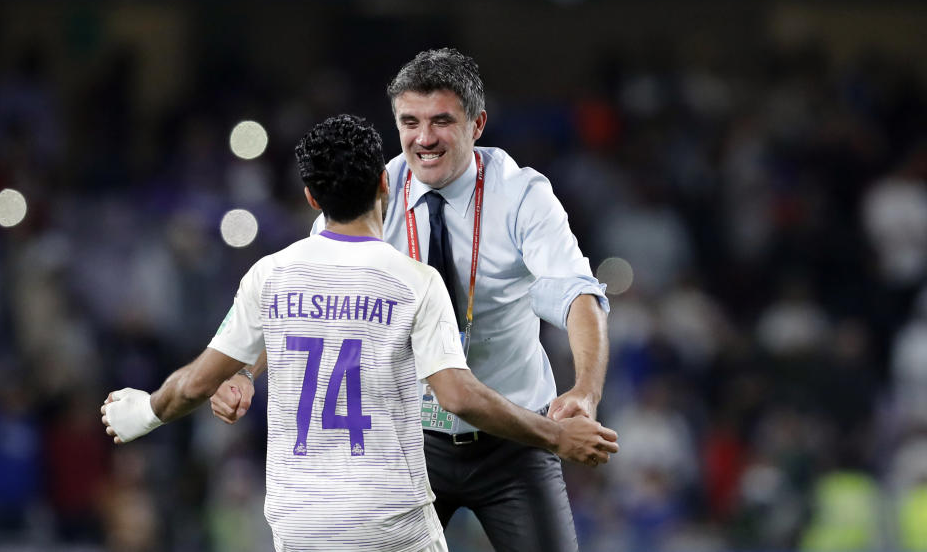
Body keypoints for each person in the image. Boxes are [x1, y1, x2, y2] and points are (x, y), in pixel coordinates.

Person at [102, 114, 618, 552]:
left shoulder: (271, 273)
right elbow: (457, 394)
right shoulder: (415, 281)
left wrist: (145, 412)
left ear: (309, 197)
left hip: (299, 519)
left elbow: (196, 384)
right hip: (389, 514)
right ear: (385, 185)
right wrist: (556, 435)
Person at [213, 50, 616, 551]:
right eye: (410, 121)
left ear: (478, 124)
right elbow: (310, 299)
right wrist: (242, 371)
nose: (424, 138)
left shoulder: (522, 195)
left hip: (515, 437)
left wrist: (584, 392)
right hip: (407, 442)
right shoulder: (370, 193)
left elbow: (576, 292)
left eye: (441, 121)